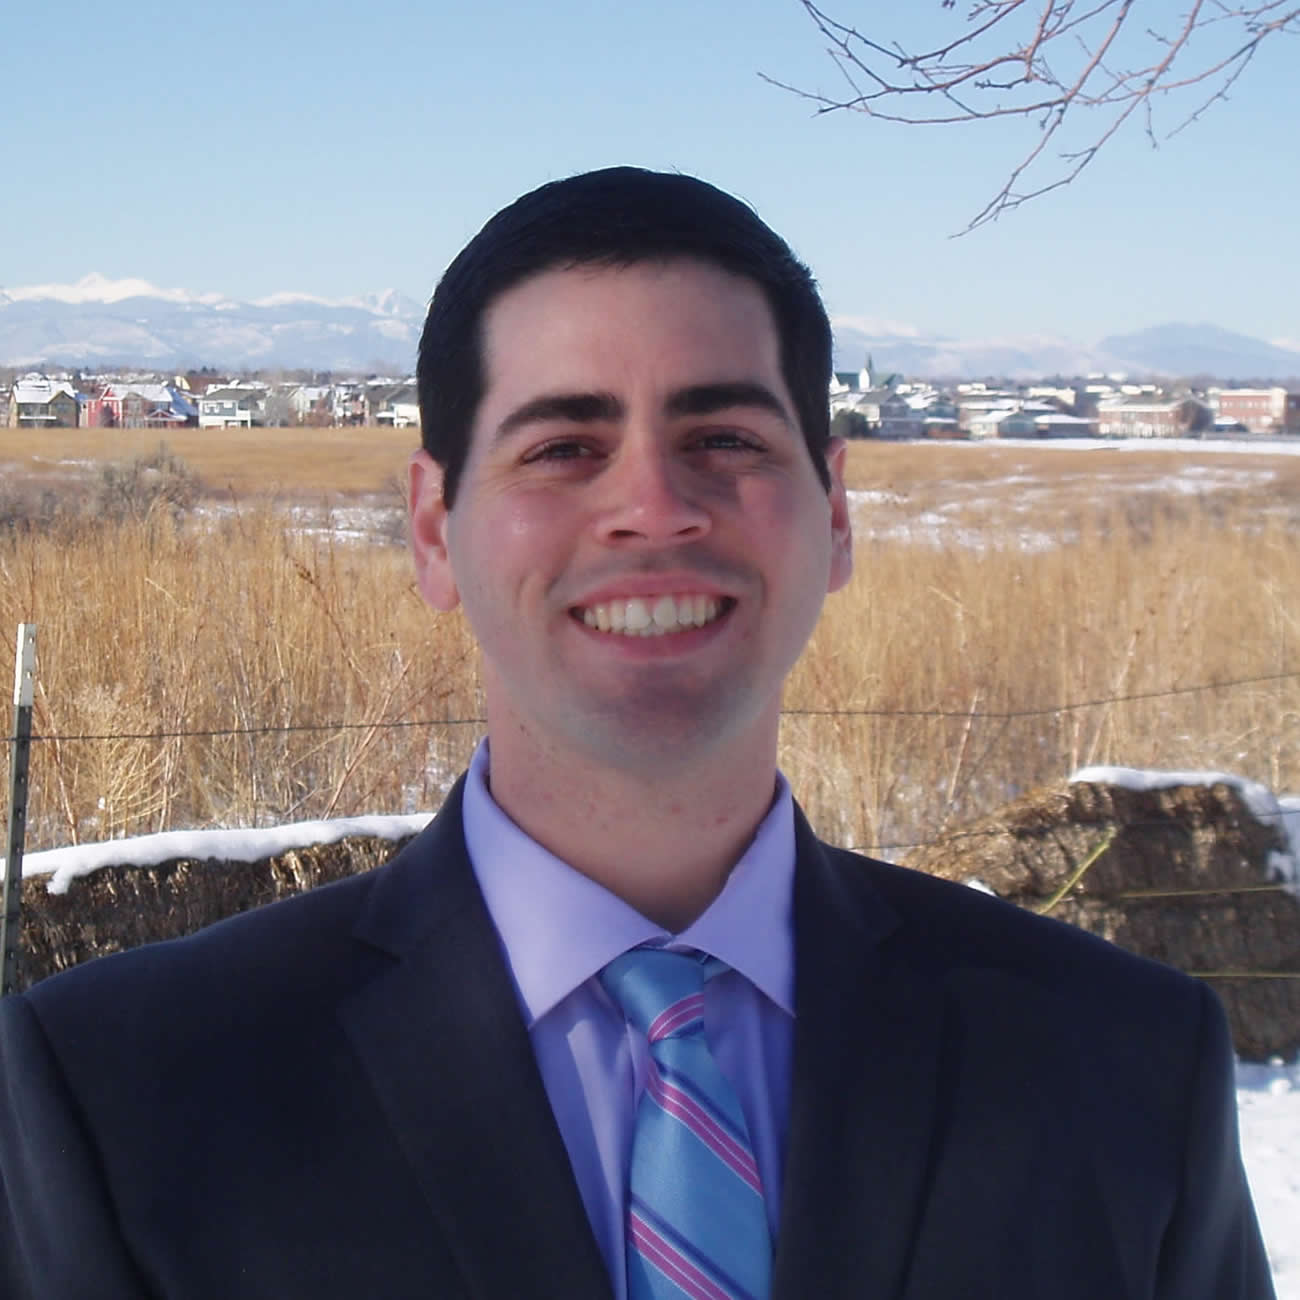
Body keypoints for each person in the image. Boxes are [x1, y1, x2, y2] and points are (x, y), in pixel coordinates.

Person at [0, 168, 1273, 1300]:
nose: (655, 507)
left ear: (834, 513)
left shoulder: (1119, 1067)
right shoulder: (129, 1099)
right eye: (564, 446)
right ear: (434, 530)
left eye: (722, 437)